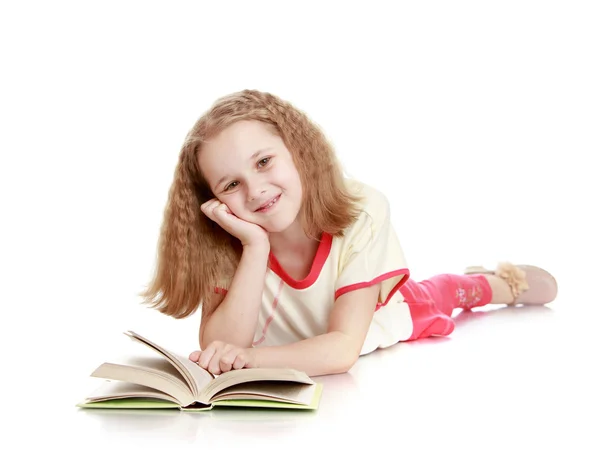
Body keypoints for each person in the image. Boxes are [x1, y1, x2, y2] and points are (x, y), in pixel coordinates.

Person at [141, 89, 558, 377]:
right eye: (230, 185)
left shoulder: (363, 210)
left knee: (439, 295)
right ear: (214, 201)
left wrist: (249, 360)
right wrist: (254, 247)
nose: (255, 191)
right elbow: (220, 350)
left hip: (379, 317)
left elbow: (342, 348)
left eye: (264, 162)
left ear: (297, 151)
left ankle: (491, 281)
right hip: (291, 348)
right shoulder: (230, 237)